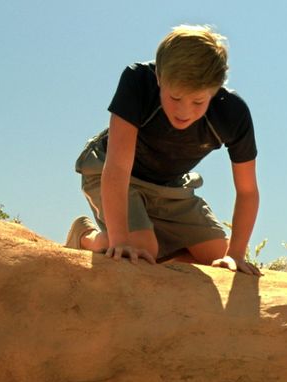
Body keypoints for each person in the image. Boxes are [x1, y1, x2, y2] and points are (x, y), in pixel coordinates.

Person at [67, 25, 262, 276]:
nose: (184, 111)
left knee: (217, 256)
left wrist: (235, 255)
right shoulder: (137, 81)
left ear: (214, 90)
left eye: (198, 102)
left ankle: (150, 237)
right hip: (113, 169)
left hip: (171, 185)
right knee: (141, 249)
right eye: (175, 98)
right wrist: (119, 241)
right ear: (159, 77)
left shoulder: (233, 114)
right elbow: (117, 167)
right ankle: (86, 236)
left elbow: (247, 191)